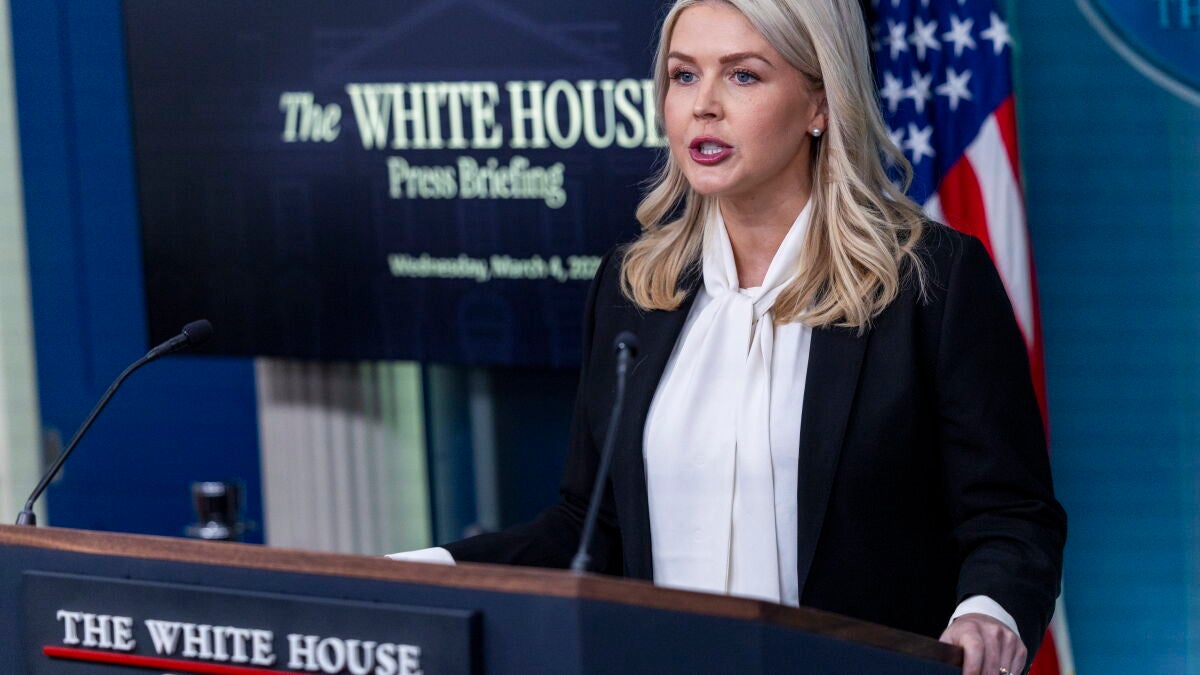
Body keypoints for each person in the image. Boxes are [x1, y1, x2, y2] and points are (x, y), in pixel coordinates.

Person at [393, 1, 1066, 673]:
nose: (703, 106)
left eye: (743, 75)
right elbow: (588, 528)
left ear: (820, 103)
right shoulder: (634, 286)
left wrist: (988, 611)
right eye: (683, 75)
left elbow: (1011, 516)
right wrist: (424, 570)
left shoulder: (929, 280)